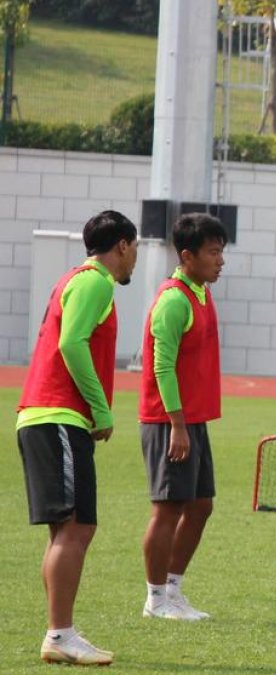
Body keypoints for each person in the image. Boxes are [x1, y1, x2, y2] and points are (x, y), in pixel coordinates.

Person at [16, 211, 139, 666]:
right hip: (59, 416)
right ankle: (60, 634)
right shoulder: (96, 282)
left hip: (45, 416)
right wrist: (101, 409)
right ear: (122, 246)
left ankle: (59, 630)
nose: (134, 258)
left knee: (64, 530)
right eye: (134, 248)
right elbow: (72, 343)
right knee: (77, 527)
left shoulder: (73, 279)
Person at [139, 213, 227, 621]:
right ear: (187, 256)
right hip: (169, 421)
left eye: (221, 251)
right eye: (213, 252)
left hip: (192, 419)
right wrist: (176, 424)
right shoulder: (174, 300)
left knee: (201, 505)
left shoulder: (201, 293)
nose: (220, 260)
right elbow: (161, 366)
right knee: (169, 508)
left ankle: (172, 590)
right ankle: (156, 598)